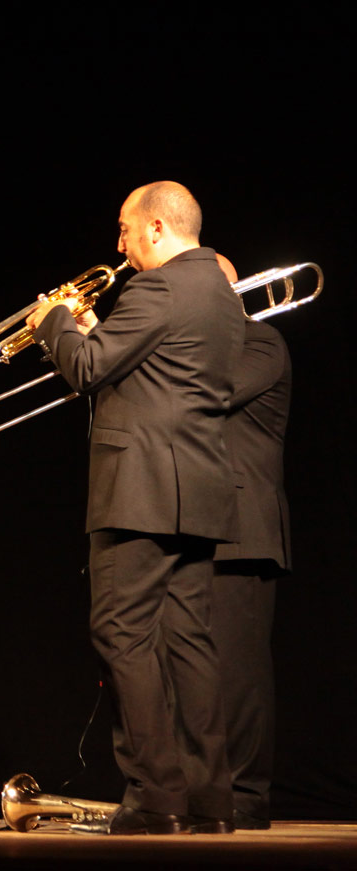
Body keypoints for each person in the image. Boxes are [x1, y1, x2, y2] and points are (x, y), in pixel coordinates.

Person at [25, 181, 244, 835]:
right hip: (197, 489)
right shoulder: (220, 293)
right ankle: (209, 798)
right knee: (189, 643)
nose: (118, 244)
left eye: (124, 228)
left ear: (155, 227)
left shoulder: (158, 287)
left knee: (121, 633)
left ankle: (156, 793)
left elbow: (86, 371)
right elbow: (156, 369)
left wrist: (55, 322)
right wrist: (93, 331)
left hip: (141, 491)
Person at [212, 255, 293, 830]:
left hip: (242, 527)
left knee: (236, 673)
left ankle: (245, 795)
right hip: (186, 522)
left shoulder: (261, 342)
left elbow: (205, 393)